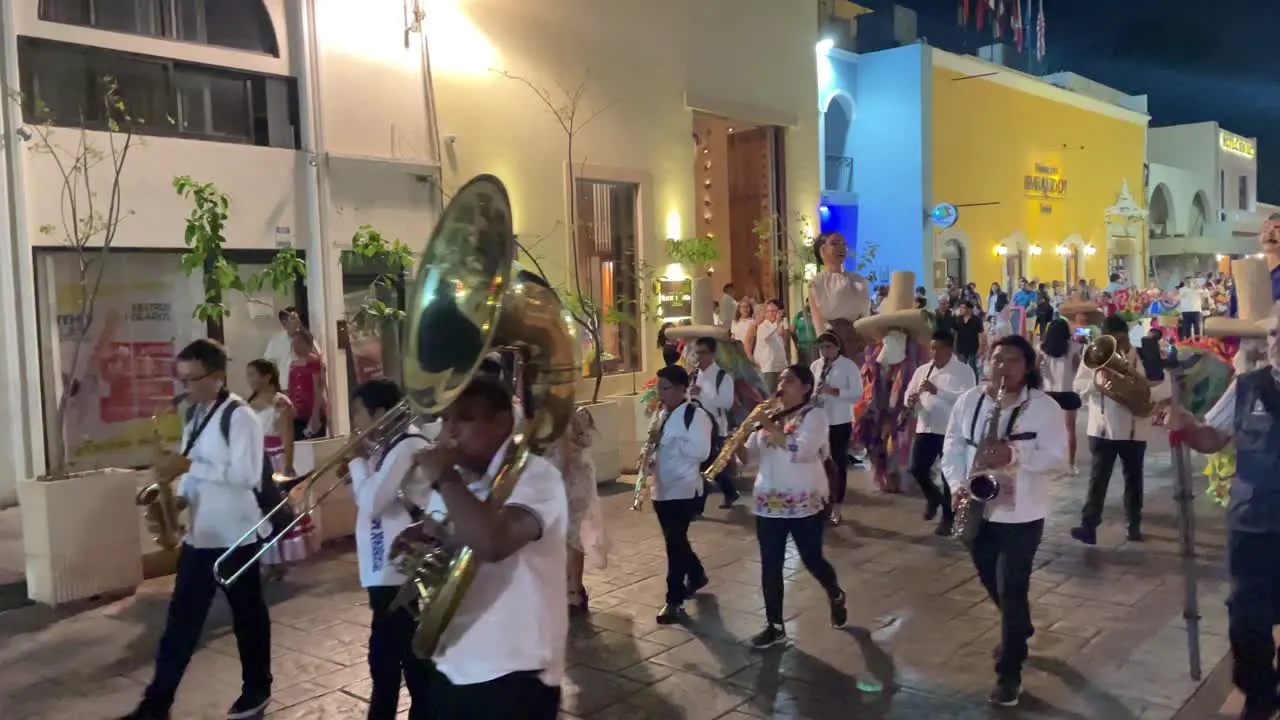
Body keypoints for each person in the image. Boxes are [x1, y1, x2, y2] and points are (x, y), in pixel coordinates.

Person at [400, 375, 567, 719]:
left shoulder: (537, 476)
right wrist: (424, 536)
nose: (450, 431)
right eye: (445, 419)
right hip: (453, 662)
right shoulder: (458, 481)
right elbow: (457, 535)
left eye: (464, 417)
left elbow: (493, 542)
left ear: (502, 423)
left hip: (514, 675)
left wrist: (445, 478)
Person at [122, 339, 271, 720]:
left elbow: (246, 476)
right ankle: (156, 705)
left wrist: (187, 469)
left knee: (248, 619)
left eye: (191, 379)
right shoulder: (195, 416)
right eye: (182, 379)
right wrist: (178, 499)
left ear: (218, 376)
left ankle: (257, 690)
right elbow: (193, 468)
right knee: (180, 625)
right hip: (200, 535)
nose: (183, 388)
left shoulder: (240, 417)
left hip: (236, 537)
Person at [940, 335, 1069, 707]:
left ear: (1027, 366)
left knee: (1011, 589)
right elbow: (952, 446)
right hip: (977, 506)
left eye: (1013, 361)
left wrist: (1014, 454)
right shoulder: (970, 400)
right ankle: (1019, 626)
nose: (1003, 367)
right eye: (997, 359)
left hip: (1021, 513)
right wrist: (954, 485)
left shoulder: (1043, 407)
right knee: (991, 582)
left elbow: (1058, 457)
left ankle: (1009, 674)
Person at [1177, 266, 1278, 720]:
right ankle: (1258, 695)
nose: (1276, 344)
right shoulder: (1247, 387)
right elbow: (1212, 439)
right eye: (1273, 336)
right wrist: (1185, 424)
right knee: (1246, 618)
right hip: (1253, 524)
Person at [345, 379, 434, 720]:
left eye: (357, 411)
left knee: (386, 656)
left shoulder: (405, 445)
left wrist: (356, 461)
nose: (354, 421)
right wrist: (362, 461)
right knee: (406, 652)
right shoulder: (387, 445)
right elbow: (367, 497)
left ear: (379, 412)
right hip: (386, 563)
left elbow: (373, 501)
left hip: (400, 565)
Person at [744, 363, 847, 649]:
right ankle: (775, 625)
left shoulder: (814, 416)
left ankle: (835, 593)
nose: (781, 385)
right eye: (779, 380)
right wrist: (735, 443)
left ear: (804, 387)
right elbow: (750, 457)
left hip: (803, 500)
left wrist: (766, 425)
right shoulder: (768, 415)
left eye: (788, 380)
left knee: (812, 558)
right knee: (770, 565)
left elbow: (801, 450)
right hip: (768, 500)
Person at [1069, 314, 1171, 545]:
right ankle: (1089, 526)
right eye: (1111, 340)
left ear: (1127, 336)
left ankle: (1133, 525)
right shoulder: (1094, 356)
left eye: (1120, 340)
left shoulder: (1144, 355)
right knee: (1098, 480)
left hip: (1135, 429)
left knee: (1133, 480)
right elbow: (1078, 385)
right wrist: (1099, 382)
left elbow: (1163, 386)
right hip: (1102, 429)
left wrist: (1140, 394)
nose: (1117, 346)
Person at [853, 271, 932, 493]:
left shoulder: (916, 353)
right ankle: (883, 472)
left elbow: (918, 378)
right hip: (878, 404)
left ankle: (897, 472)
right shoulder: (873, 353)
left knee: (900, 438)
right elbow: (868, 380)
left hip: (904, 407)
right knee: (878, 437)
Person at [646, 364, 712, 623]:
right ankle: (696, 574)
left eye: (664, 388)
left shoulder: (695, 416)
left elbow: (701, 452)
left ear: (682, 389)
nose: (659, 394)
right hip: (661, 488)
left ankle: (673, 599)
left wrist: (670, 442)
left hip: (684, 489)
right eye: (657, 388)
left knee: (674, 545)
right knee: (676, 541)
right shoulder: (661, 414)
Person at [905, 329, 976, 536]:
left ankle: (948, 517)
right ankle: (933, 497)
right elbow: (909, 391)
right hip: (926, 426)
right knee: (917, 468)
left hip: (950, 431)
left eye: (937, 348)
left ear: (949, 349)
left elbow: (967, 399)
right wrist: (909, 400)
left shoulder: (964, 371)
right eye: (931, 348)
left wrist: (939, 392)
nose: (933, 353)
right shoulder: (922, 370)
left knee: (948, 476)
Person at [245, 360, 305, 580]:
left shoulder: (280, 403)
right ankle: (267, 561)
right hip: (258, 461)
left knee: (276, 509)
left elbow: (287, 438)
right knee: (261, 511)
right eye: (248, 375)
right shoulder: (249, 403)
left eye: (253, 375)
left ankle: (277, 562)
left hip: (275, 460)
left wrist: (287, 468)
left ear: (268, 376)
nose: (250, 380)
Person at [544, 406, 605, 614]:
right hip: (550, 483)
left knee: (574, 538)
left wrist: (568, 440)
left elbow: (585, 442)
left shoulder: (576, 415)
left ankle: (575, 590)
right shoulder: (537, 417)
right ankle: (563, 586)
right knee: (556, 540)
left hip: (573, 484)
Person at [809, 331, 862, 526]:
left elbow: (857, 394)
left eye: (828, 347)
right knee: (819, 462)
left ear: (837, 347)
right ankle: (822, 503)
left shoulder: (848, 366)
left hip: (839, 420)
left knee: (838, 463)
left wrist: (834, 391)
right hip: (818, 419)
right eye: (821, 347)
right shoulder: (816, 365)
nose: (825, 351)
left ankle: (837, 507)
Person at [690, 336, 740, 508]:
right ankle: (730, 492)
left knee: (709, 466)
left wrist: (702, 393)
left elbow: (726, 402)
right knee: (704, 465)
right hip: (696, 426)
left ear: (712, 354)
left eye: (702, 353)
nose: (698, 357)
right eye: (696, 353)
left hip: (715, 427)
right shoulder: (695, 374)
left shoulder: (722, 377)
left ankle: (698, 505)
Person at [808, 231, 871, 362]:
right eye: (835, 243)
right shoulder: (817, 283)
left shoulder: (859, 281)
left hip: (857, 339)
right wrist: (825, 345)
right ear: (823, 250)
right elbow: (817, 319)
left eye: (844, 244)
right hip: (834, 339)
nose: (841, 248)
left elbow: (865, 315)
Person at [1038, 318, 1083, 474]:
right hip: (1068, 392)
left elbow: (1035, 368)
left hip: (1049, 393)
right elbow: (1078, 370)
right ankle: (1071, 465)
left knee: (1047, 430)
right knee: (1070, 430)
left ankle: (1047, 461)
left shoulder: (1042, 348)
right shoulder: (1074, 348)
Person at [287, 329, 327, 439]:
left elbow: (318, 389)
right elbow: (291, 389)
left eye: (299, 342)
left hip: (312, 412)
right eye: (293, 343)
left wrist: (315, 415)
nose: (296, 346)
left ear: (308, 343)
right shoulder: (293, 365)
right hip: (297, 413)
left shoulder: (314, 362)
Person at [753, 299, 790, 393]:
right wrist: (777, 323)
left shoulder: (777, 325)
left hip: (780, 366)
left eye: (776, 311)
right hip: (769, 368)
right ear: (766, 313)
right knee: (769, 396)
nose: (774, 314)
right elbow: (767, 336)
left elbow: (781, 346)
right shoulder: (763, 326)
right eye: (771, 311)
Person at [263, 307, 301, 390]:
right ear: (284, 322)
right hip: (284, 388)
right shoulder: (276, 341)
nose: (298, 321)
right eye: (293, 319)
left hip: (302, 388)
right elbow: (268, 365)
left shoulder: (306, 339)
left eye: (298, 318)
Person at [952, 301, 985, 379]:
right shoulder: (958, 319)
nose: (961, 310)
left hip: (972, 347)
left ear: (969, 309)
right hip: (961, 347)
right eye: (960, 308)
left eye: (963, 308)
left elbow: (981, 334)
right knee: (961, 367)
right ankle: (962, 384)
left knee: (972, 367)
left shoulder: (976, 320)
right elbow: (954, 332)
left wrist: (981, 347)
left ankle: (974, 385)